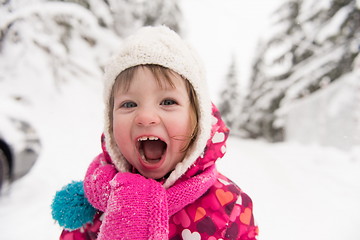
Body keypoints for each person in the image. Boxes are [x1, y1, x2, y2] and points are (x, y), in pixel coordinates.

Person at [51, 25, 258, 240]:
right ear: (111, 124)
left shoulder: (229, 207)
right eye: (129, 104)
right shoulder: (95, 201)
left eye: (168, 102)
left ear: (198, 119)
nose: (145, 117)